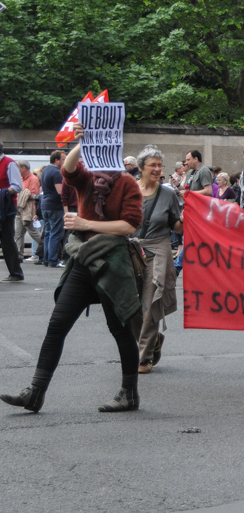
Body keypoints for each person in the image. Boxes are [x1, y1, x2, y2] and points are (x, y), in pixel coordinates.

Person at [1, 122, 143, 413]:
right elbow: (67, 169)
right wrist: (81, 141)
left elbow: (130, 225)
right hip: (83, 258)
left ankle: (129, 393)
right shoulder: (87, 178)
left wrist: (86, 223)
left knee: (120, 329)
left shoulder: (127, 182)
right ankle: (35, 392)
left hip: (113, 260)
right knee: (57, 325)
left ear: (115, 152)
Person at [131, 145, 183, 374]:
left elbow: (176, 227)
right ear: (140, 168)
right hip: (131, 251)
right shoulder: (129, 190)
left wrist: (188, 217)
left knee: (150, 303)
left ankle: (143, 358)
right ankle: (153, 341)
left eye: (160, 165)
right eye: (152, 165)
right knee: (130, 306)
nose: (157, 169)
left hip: (158, 250)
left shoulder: (168, 193)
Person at [0, 141, 24, 282]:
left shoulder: (9, 163)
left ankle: (16, 273)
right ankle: (15, 273)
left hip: (6, 208)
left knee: (7, 241)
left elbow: (17, 186)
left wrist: (1, 193)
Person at [40, 151, 66, 269]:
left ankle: (46, 259)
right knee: (56, 233)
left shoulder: (45, 170)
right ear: (57, 160)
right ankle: (53, 260)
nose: (64, 162)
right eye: (63, 159)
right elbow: (60, 191)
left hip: (45, 204)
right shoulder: (56, 172)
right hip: (55, 206)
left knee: (48, 233)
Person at [15, 161, 43, 266]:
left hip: (28, 211)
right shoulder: (21, 179)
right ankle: (18, 256)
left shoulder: (33, 179)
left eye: (18, 168)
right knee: (18, 234)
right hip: (20, 210)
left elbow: (35, 196)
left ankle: (46, 252)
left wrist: (23, 193)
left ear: (23, 168)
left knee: (34, 233)